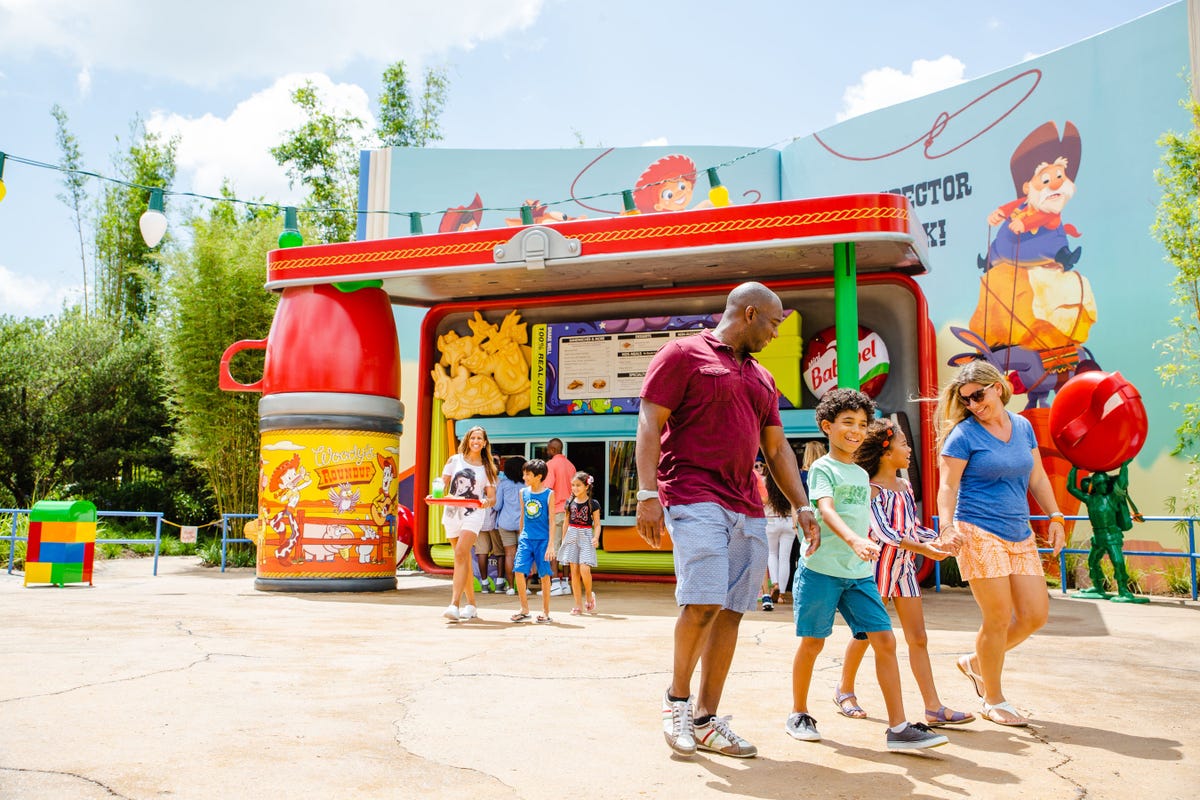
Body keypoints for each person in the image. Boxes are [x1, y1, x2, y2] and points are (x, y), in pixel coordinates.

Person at [636, 281, 819, 759]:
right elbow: (649, 423)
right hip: (693, 494)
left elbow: (777, 450)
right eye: (776, 324)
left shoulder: (762, 377)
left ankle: (705, 719)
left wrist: (803, 507)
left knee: (732, 611)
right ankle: (676, 702)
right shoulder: (683, 354)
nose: (777, 334)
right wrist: (647, 493)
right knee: (701, 602)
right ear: (752, 313)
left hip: (746, 505)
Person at [785, 388, 948, 751]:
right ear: (827, 426)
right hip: (822, 571)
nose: (856, 430)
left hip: (858, 575)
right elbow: (826, 509)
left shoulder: (861, 475)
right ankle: (798, 712)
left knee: (885, 639)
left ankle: (899, 728)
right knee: (813, 642)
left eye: (861, 423)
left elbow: (885, 518)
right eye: (847, 423)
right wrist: (854, 541)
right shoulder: (822, 469)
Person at [936, 360, 1066, 727]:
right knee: (996, 618)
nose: (975, 405)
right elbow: (948, 486)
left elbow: (1037, 476)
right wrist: (947, 528)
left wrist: (1055, 516)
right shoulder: (963, 435)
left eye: (979, 395)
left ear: (997, 386)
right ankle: (992, 699)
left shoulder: (1022, 426)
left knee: (1034, 616)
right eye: (967, 401)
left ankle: (977, 662)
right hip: (978, 530)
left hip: (1019, 532)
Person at [834, 419, 974, 727]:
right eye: (903, 444)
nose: (909, 449)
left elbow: (912, 527)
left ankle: (933, 707)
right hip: (877, 570)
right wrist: (925, 548)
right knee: (865, 634)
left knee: (918, 638)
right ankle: (844, 690)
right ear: (886, 451)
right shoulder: (869, 489)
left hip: (904, 569)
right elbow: (884, 531)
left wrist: (937, 540)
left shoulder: (905, 485)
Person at [1067, 461, 1147, 603]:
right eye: (1100, 484)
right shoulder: (1089, 499)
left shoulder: (1112, 498)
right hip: (1098, 536)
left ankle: (1123, 590)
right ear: (1095, 486)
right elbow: (1071, 488)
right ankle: (1098, 587)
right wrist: (1074, 469)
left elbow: (1122, 482)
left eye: (1105, 483)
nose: (1103, 486)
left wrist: (1124, 467)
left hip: (1112, 536)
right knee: (1092, 561)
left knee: (1117, 561)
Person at [439, 425, 497, 622]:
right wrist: (436, 492)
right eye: (473, 437)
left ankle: (454, 604)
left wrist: (486, 502)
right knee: (461, 559)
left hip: (474, 513)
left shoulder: (487, 468)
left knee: (461, 553)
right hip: (452, 511)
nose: (476, 441)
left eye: (480, 438)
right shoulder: (454, 460)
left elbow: (492, 497)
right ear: (468, 440)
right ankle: (471, 604)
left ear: (485, 443)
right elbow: (442, 483)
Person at [510, 458, 555, 624]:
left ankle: (545, 611)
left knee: (544, 575)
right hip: (526, 539)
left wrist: (551, 544)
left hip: (543, 540)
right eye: (524, 474)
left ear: (539, 476)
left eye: (528, 474)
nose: (524, 477)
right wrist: (521, 535)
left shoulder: (549, 494)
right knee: (519, 571)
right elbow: (523, 515)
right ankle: (524, 609)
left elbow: (551, 521)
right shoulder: (523, 493)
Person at [559, 470, 601, 615]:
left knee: (584, 569)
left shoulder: (593, 504)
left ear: (586, 486)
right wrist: (564, 539)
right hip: (572, 535)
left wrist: (596, 537)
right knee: (574, 572)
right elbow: (566, 522)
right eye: (573, 485)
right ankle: (578, 605)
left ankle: (589, 595)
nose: (575, 488)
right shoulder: (569, 502)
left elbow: (597, 524)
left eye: (578, 485)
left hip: (586, 536)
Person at [759, 468, 796, 611]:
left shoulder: (764, 481)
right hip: (788, 520)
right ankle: (781, 594)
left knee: (771, 554)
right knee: (785, 558)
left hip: (771, 520)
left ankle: (775, 583)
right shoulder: (789, 480)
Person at [544, 438, 577, 592]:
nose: (546, 451)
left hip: (556, 511)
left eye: (547, 449)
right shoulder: (571, 466)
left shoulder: (550, 465)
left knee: (554, 548)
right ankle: (566, 584)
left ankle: (555, 582)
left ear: (552, 450)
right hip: (570, 512)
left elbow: (548, 489)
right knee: (567, 548)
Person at [493, 456, 526, 596]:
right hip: (522, 524)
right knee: (524, 554)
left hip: (505, 523)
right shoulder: (526, 486)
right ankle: (524, 587)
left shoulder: (503, 485)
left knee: (509, 555)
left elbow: (496, 506)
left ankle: (511, 587)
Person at [475, 458, 503, 592]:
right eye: (494, 462)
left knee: (482, 552)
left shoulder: (478, 480)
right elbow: (499, 505)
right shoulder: (499, 482)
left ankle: (484, 584)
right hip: (494, 521)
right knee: (500, 552)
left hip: (479, 521)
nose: (496, 464)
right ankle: (499, 583)